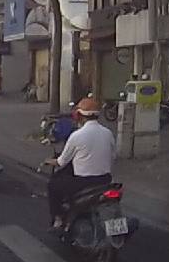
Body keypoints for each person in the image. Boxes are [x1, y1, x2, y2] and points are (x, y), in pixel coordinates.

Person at [43, 98, 115, 231]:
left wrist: (48, 161)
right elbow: (112, 156)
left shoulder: (76, 136)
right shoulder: (108, 133)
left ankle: (58, 219)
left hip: (83, 182)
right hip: (105, 180)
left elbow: (61, 162)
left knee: (53, 185)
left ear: (79, 116)